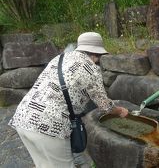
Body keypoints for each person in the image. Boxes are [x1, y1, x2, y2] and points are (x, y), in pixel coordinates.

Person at [8, 32, 129, 168]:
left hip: (23, 117)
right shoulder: (91, 69)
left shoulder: (59, 58)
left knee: (44, 165)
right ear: (97, 54)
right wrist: (120, 111)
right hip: (49, 126)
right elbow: (105, 106)